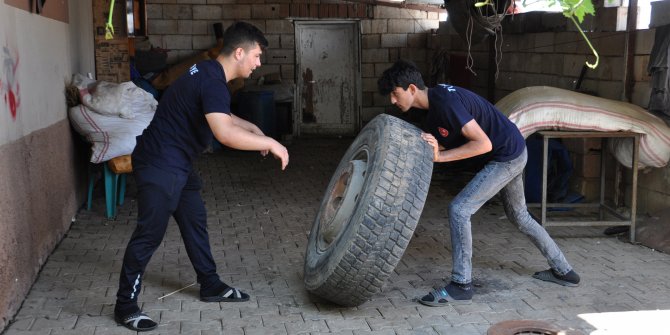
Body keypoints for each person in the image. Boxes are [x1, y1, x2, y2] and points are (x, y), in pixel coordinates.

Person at [114, 21, 289, 331]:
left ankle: (210, 284)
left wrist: (254, 129)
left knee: (195, 221)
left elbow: (222, 114)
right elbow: (223, 132)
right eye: (257, 56)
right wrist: (270, 142)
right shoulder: (211, 81)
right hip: (160, 164)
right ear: (239, 53)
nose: (259, 63)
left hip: (177, 163)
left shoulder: (208, 72)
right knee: (149, 235)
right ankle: (125, 305)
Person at [377, 60, 579, 307]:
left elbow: (482, 144)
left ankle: (461, 285)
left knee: (459, 209)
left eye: (394, 94)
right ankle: (565, 271)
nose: (392, 101)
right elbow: (442, 142)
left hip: (506, 156)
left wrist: (440, 156)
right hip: (512, 149)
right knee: (520, 216)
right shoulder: (431, 109)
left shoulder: (445, 102)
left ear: (411, 88)